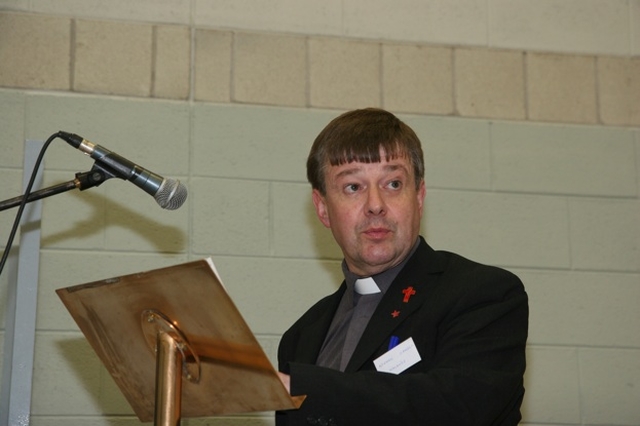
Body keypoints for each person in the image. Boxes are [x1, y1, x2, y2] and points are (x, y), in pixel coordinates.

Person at [276, 108, 528, 425]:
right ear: (323, 208)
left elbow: (456, 406)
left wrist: (300, 387)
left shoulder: (483, 294)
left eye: (393, 183)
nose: (376, 204)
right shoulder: (301, 336)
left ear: (419, 197)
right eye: (353, 187)